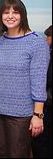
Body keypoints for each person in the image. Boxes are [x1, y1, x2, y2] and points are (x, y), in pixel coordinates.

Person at [0, 0, 50, 158]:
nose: (10, 16)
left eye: (15, 12)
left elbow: (39, 81)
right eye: (6, 12)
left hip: (21, 114)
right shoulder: (1, 41)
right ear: (0, 16)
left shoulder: (36, 43)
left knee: (17, 154)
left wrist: (38, 115)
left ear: (23, 15)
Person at [31, 25, 52, 158]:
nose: (46, 39)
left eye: (48, 36)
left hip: (47, 108)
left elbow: (45, 80)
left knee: (42, 146)